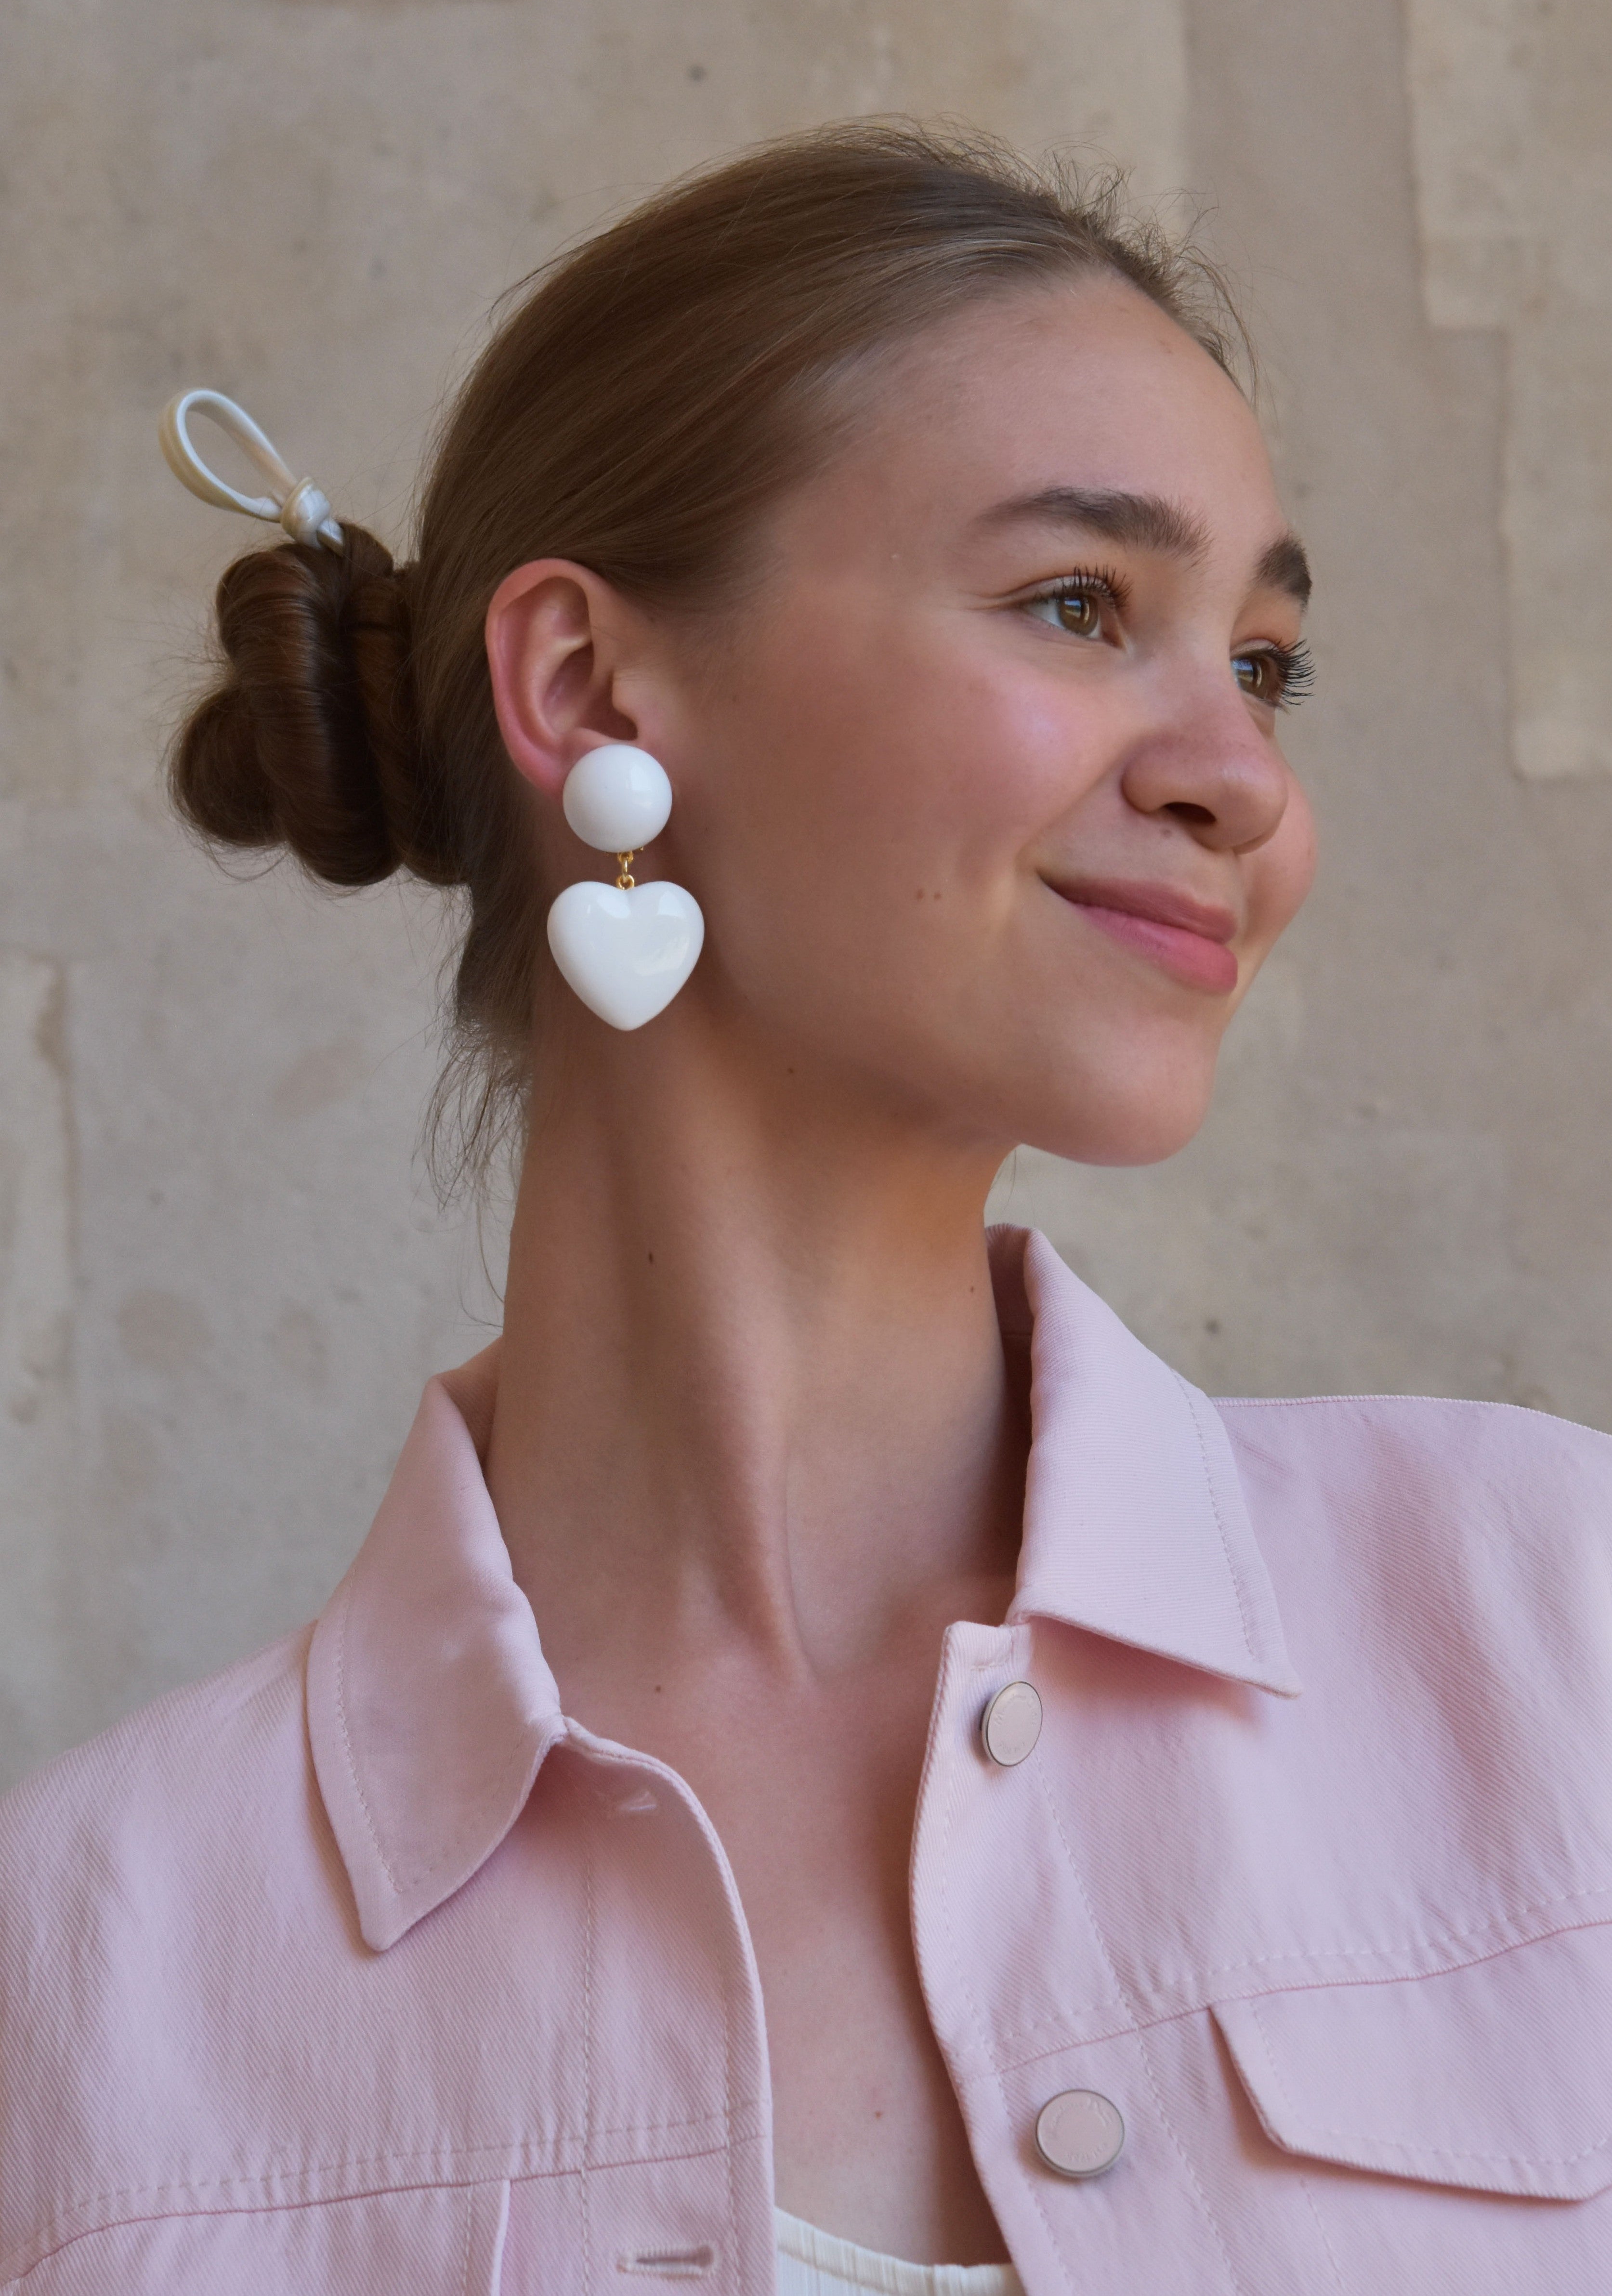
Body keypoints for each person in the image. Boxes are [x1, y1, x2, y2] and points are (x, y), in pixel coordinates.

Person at [3, 125, 1610, 2296]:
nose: (1244, 775)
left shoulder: (1551, 1632)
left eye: (1263, 660)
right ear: (587, 688)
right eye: (1080, 604)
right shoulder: (79, 2005)